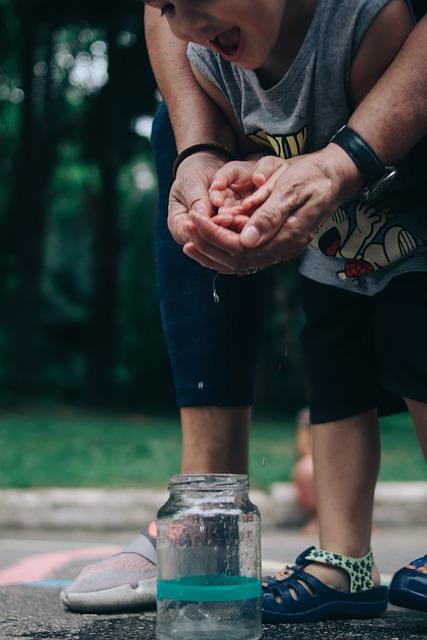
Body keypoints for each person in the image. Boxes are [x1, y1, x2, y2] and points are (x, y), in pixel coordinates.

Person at [60, 3, 427, 618]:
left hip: (404, 220)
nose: (184, 24)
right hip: (333, 252)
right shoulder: (212, 56)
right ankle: (337, 558)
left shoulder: (370, 24)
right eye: (170, 5)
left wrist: (341, 163)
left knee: (419, 360)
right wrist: (228, 171)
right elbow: (260, 132)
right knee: (335, 389)